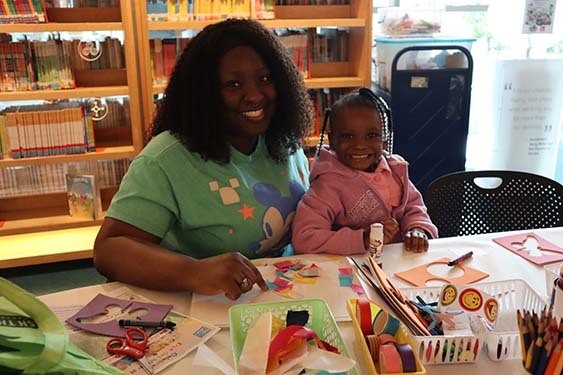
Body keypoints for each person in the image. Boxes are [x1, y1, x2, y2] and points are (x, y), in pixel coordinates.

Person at [93, 19, 313, 300]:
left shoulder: (284, 139)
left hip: (281, 294)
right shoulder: (165, 158)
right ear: (204, 94)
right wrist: (194, 272)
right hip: (203, 310)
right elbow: (109, 249)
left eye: (266, 78)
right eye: (233, 84)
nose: (256, 95)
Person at [292, 88, 437, 255]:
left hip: (398, 263)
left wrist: (417, 228)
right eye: (348, 136)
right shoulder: (326, 185)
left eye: (371, 135)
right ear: (332, 140)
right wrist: (363, 238)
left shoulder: (395, 171)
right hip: (353, 271)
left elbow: (413, 206)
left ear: (384, 140)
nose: (360, 145)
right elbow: (304, 238)